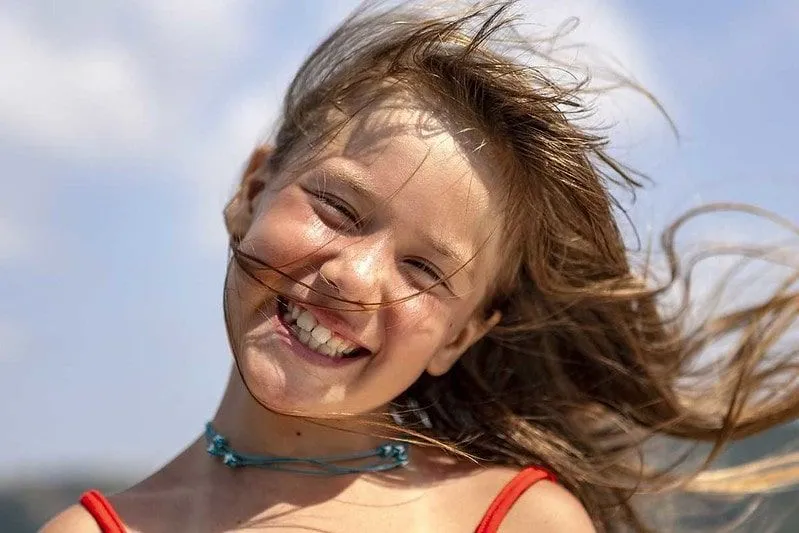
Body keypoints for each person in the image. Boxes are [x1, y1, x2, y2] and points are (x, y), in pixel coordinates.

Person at [41, 1, 799, 532]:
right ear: (250, 191)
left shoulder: (517, 518)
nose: (356, 277)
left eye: (424, 270)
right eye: (338, 210)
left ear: (461, 336)